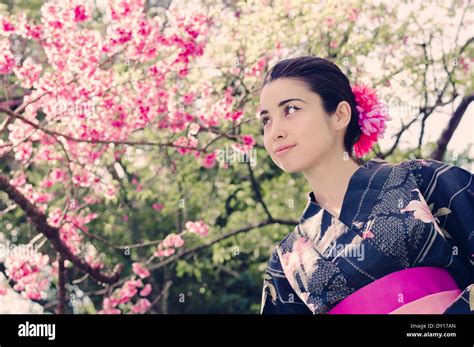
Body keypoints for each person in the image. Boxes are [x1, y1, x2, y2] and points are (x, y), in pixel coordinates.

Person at [258, 55, 473, 314]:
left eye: (290, 109)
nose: (275, 131)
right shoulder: (286, 259)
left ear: (339, 115)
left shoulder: (422, 179)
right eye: (266, 120)